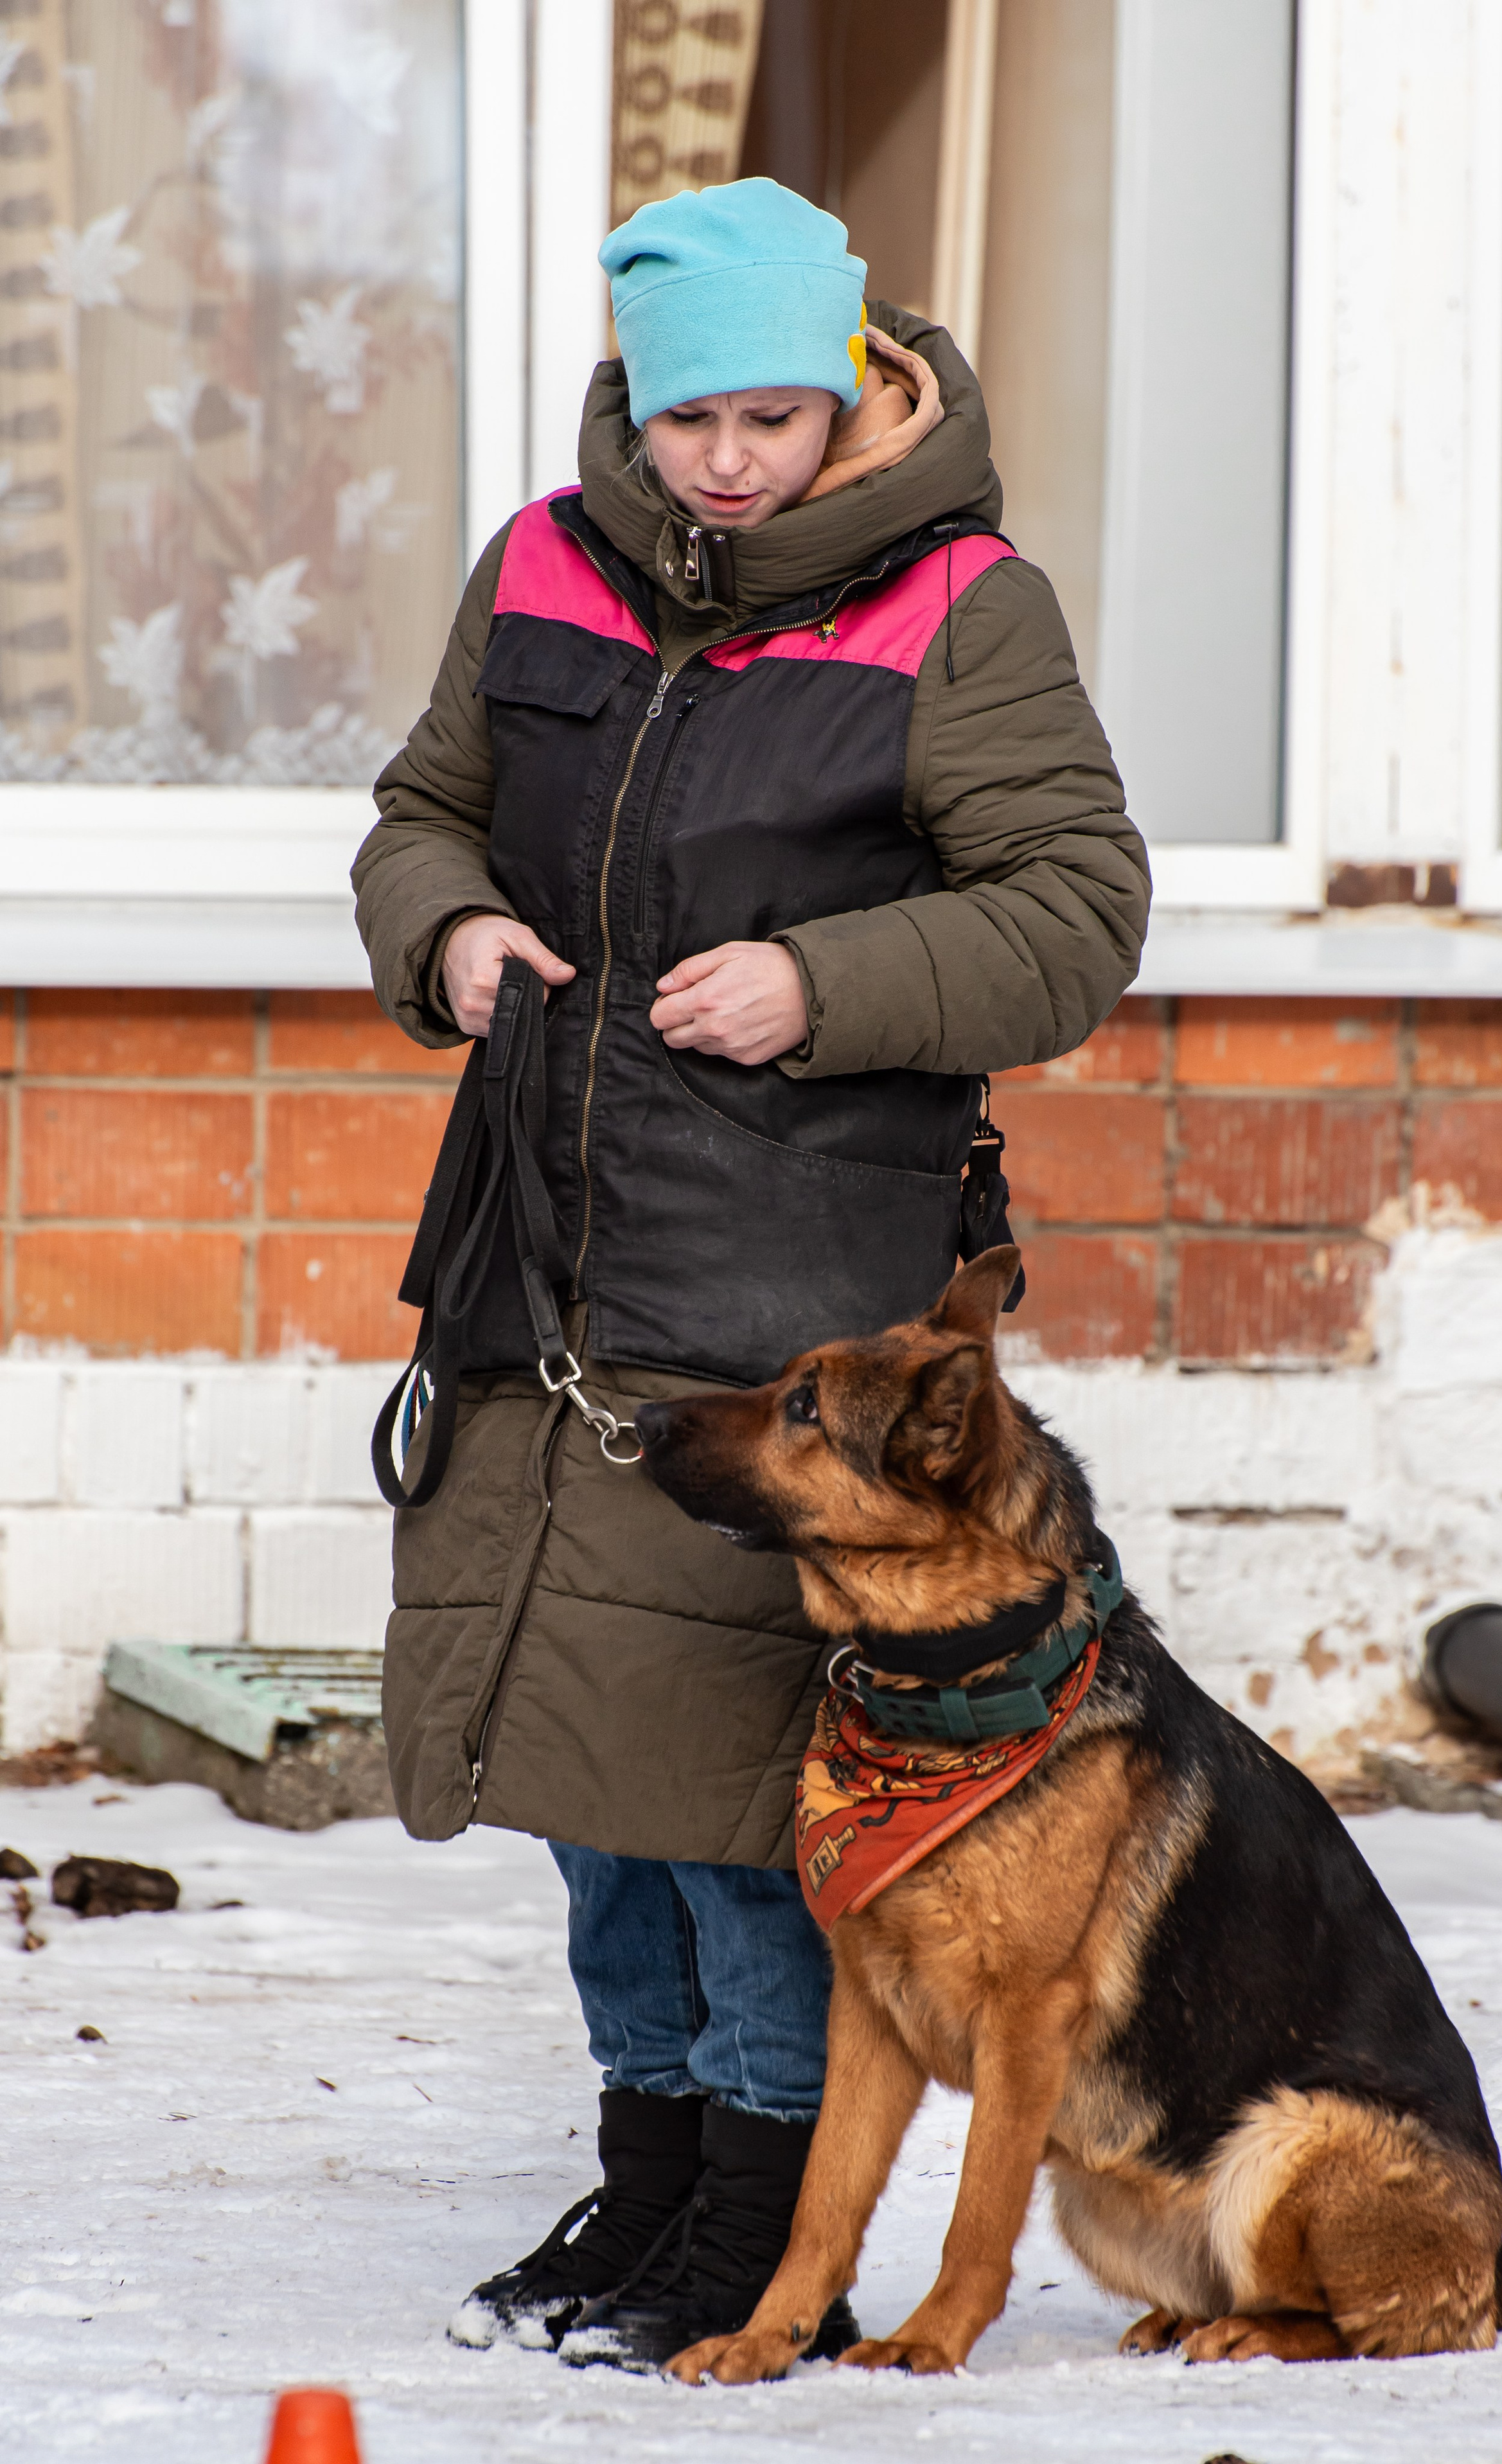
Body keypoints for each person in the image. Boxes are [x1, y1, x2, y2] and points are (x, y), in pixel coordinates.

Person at [351, 175, 1149, 2369]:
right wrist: (445, 927)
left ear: (853, 388)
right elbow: (424, 804)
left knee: (732, 1800)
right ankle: (653, 2171)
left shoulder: (964, 604)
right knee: (587, 1783)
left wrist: (822, 978)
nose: (730, 460)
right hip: (546, 1249)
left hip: (792, 1289)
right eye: (696, 415)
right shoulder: (541, 559)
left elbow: (1077, 910)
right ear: (640, 394)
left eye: (778, 415)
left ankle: (761, 2210)